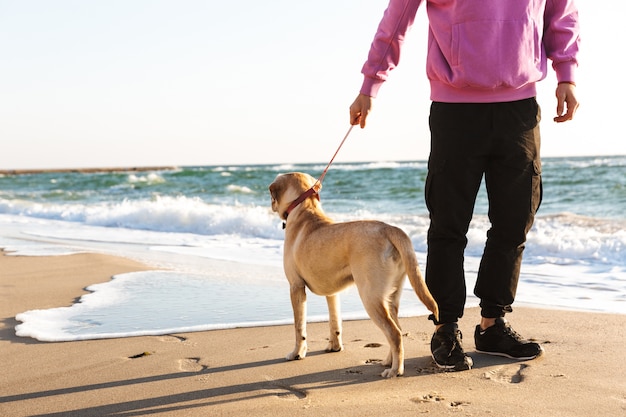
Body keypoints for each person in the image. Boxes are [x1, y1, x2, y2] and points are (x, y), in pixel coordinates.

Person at [349, 0, 580, 371]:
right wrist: (370, 85)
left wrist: (566, 75)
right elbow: (396, 21)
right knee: (448, 224)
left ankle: (493, 324)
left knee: (514, 220)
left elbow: (561, 13)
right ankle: (445, 327)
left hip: (519, 107)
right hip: (455, 109)